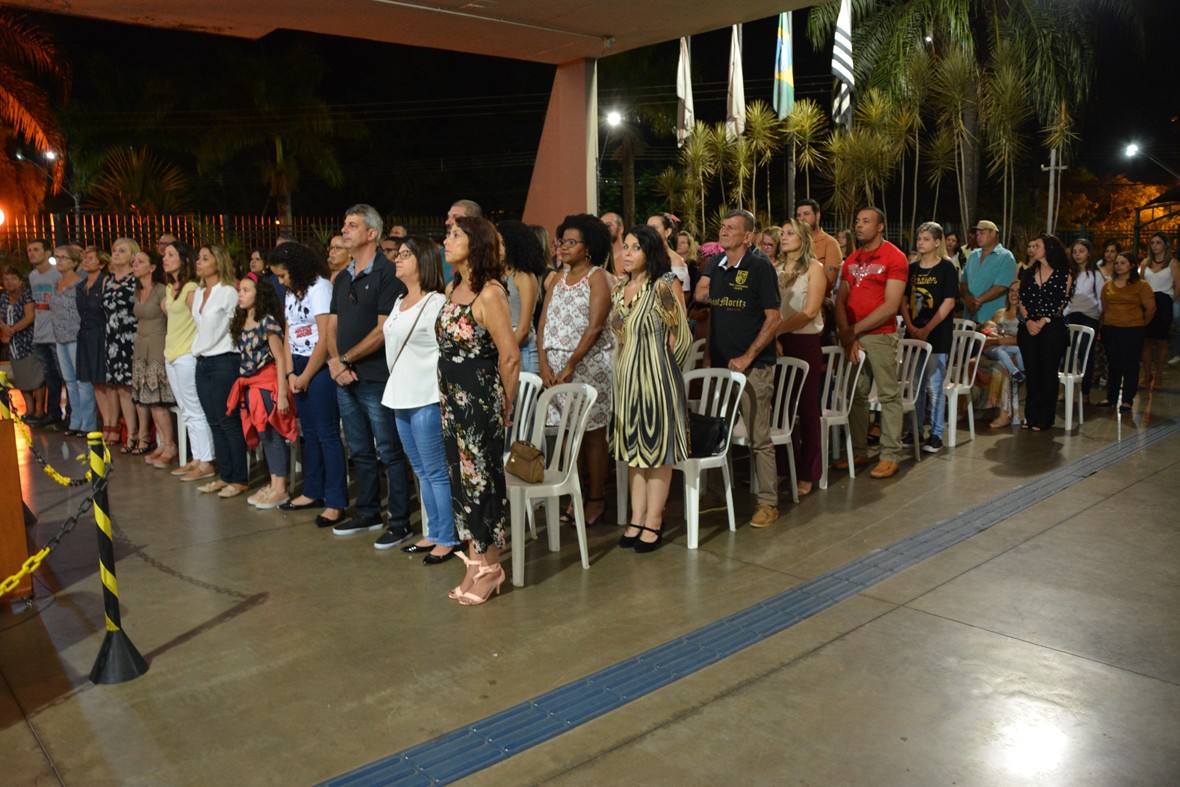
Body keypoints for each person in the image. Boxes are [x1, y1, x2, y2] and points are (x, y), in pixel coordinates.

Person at [438, 215, 521, 605]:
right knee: (461, 483)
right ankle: (474, 564)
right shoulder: (453, 286)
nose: (447, 240)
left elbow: (510, 356)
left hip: (480, 402)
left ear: (476, 244)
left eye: (455, 235)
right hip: (452, 401)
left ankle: (492, 568)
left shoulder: (490, 293)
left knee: (482, 485)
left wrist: (505, 405)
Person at [326, 204, 413, 548]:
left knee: (389, 450)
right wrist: (336, 363)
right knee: (360, 449)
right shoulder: (343, 277)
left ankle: (400, 521)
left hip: (376, 377)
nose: (344, 231)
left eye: (352, 226)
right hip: (344, 376)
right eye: (344, 225)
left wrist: (345, 359)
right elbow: (331, 325)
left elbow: (383, 330)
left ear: (372, 233)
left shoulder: (388, 273)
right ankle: (368, 511)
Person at [693, 209, 782, 524]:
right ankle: (716, 495)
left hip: (753, 367)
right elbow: (709, 308)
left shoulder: (760, 266)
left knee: (759, 438)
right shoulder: (717, 264)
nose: (724, 231)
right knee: (717, 433)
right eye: (723, 226)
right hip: (720, 366)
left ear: (748, 236)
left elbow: (774, 318)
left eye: (732, 228)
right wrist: (709, 356)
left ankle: (768, 502)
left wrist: (747, 357)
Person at [611, 226, 690, 552]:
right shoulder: (620, 289)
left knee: (657, 454)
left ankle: (654, 521)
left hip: (657, 383)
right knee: (634, 455)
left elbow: (681, 336)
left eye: (636, 247)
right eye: (625, 246)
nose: (627, 253)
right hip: (627, 385)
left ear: (650, 252)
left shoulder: (662, 287)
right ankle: (637, 518)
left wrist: (664, 373)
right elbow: (620, 338)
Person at [381, 236, 459, 563]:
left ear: (423, 261)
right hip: (400, 394)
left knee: (436, 470)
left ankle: (448, 537)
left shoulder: (436, 302)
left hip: (426, 395)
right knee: (420, 470)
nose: (397, 259)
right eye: (397, 254)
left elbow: (447, 352)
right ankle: (434, 531)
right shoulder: (400, 301)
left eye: (405, 255)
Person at [537, 213, 614, 529]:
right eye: (561, 241)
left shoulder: (598, 277)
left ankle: (596, 499)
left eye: (571, 242)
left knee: (592, 435)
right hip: (556, 372)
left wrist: (570, 365)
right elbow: (543, 324)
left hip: (588, 368)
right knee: (568, 435)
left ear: (588, 247)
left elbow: (595, 326)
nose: (563, 247)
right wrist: (544, 364)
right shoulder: (557, 278)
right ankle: (575, 496)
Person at [270, 242, 349, 525]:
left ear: (297, 268)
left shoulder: (320, 288)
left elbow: (326, 336)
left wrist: (306, 376)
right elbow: (289, 331)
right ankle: (313, 490)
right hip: (298, 365)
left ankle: (336, 501)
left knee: (327, 434)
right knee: (310, 433)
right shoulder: (294, 291)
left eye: (283, 275)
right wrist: (291, 373)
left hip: (320, 367)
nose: (281, 281)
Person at [835, 207, 907, 478]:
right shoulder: (851, 259)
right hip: (854, 336)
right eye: (857, 221)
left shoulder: (894, 256)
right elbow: (840, 300)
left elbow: (890, 306)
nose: (859, 225)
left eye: (866, 221)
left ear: (880, 227)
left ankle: (890, 454)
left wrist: (852, 331)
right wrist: (848, 334)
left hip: (880, 334)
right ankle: (859, 451)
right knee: (856, 394)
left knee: (888, 395)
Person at [228, 273, 295, 509]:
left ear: (259, 294)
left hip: (268, 384)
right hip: (251, 385)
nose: (241, 294)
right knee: (264, 434)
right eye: (240, 290)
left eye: (246, 290)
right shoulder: (241, 321)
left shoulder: (268, 322)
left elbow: (280, 358)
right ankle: (273, 482)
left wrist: (282, 394)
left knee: (273, 435)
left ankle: (281, 487)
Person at [773, 219, 826, 497]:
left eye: (790, 233)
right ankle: (783, 467)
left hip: (803, 342)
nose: (784, 237)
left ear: (804, 238)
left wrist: (777, 331)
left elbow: (810, 311)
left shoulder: (815, 269)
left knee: (806, 409)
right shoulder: (775, 268)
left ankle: (809, 472)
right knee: (779, 407)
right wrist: (773, 336)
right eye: (782, 233)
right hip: (777, 341)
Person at [192, 244, 249, 496]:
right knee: (214, 422)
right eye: (199, 258)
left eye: (205, 258)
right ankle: (225, 476)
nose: (199, 262)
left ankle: (239, 478)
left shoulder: (228, 292)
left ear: (219, 262)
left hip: (224, 360)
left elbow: (237, 326)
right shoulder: (199, 292)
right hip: (202, 361)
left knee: (228, 421)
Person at [901, 221, 959, 454]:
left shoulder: (946, 268)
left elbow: (949, 302)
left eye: (926, 239)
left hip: (937, 335)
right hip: (914, 333)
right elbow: (904, 299)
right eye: (919, 239)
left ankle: (936, 433)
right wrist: (910, 325)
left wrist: (927, 328)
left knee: (935, 386)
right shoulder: (912, 269)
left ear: (937, 242)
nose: (921, 243)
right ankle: (914, 430)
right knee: (916, 386)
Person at [162, 241, 215, 480]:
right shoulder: (170, 288)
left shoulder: (191, 288)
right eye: (165, 255)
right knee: (185, 410)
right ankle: (196, 458)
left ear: (183, 260)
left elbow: (199, 320)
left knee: (195, 409)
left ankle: (207, 461)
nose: (165, 258)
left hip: (186, 354)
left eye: (171, 254)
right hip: (171, 353)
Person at [1017, 234, 1075, 431]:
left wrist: (1042, 321)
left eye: (1037, 246)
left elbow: (1061, 302)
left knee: (1048, 372)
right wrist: (1028, 321)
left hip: (1052, 326)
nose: (1033, 249)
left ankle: (1045, 417)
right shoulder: (1029, 272)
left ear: (1049, 249)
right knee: (1032, 372)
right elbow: (1021, 299)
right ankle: (1030, 416)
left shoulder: (1064, 274)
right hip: (1029, 325)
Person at [130, 250, 176, 463]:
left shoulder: (161, 290)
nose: (135, 265)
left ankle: (170, 444)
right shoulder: (137, 291)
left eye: (140, 261)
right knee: (147, 400)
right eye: (134, 262)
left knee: (158, 400)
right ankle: (162, 443)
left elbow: (172, 318)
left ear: (152, 267)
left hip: (157, 345)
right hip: (141, 347)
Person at [1100, 254, 1155, 412]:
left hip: (1132, 329)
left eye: (1122, 263)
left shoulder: (1141, 286)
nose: (1118, 265)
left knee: (1130, 364)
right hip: (1111, 328)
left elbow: (1151, 309)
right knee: (1113, 364)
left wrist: (1139, 323)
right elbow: (1104, 306)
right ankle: (1110, 397)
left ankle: (1127, 400)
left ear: (1131, 265)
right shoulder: (1108, 285)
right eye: (1116, 263)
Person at [49, 246, 94, 436]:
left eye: (63, 257)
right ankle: (75, 420)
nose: (59, 261)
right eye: (57, 257)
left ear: (74, 262)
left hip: (77, 337)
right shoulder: (56, 284)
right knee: (69, 381)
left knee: (82, 381)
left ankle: (88, 423)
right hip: (60, 338)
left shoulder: (81, 284)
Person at [102, 238, 141, 452]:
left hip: (131, 338)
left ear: (132, 255)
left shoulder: (135, 279)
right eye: (114, 250)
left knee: (132, 386)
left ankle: (140, 434)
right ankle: (130, 433)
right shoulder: (107, 280)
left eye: (122, 251)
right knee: (120, 388)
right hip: (112, 340)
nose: (116, 253)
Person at [498, 220, 547, 375]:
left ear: (513, 245)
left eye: (502, 244)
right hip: (503, 345)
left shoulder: (524, 277)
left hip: (522, 351)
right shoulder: (497, 275)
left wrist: (504, 353)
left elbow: (524, 328)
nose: (497, 248)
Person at [76, 248, 112, 442]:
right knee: (94, 382)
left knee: (104, 381)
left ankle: (112, 424)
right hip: (85, 334)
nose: (86, 261)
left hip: (100, 334)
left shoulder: (104, 283)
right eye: (85, 258)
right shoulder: (81, 286)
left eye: (91, 258)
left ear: (101, 263)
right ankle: (105, 422)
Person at [26, 238, 61, 426]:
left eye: (36, 249)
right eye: (29, 250)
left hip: (55, 333)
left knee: (63, 376)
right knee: (49, 376)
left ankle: (68, 415)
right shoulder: (33, 276)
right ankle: (53, 413)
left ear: (47, 253)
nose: (31, 253)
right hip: (40, 333)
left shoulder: (56, 274)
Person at [1064, 239, 1103, 402]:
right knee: (1068, 353)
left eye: (1081, 251)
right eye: (1075, 252)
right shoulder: (1069, 273)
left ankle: (1085, 392)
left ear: (1089, 253)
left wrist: (1098, 315)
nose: (1077, 255)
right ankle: (1067, 390)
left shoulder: (1095, 274)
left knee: (1085, 353)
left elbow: (1100, 298)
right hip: (1070, 315)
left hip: (1089, 317)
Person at [1, 267, 43, 415]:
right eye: (6, 279)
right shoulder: (4, 297)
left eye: (13, 278)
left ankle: (40, 411)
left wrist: (12, 330)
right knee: (21, 379)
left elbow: (30, 317)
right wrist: (3, 327)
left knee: (36, 378)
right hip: (13, 345)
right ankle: (29, 409)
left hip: (28, 341)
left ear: (20, 281)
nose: (9, 282)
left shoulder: (27, 295)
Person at [1139, 232, 1179, 389]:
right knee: (1146, 340)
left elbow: (1178, 286)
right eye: (1152, 243)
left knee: (1161, 341)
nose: (1155, 245)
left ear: (1166, 245)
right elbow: (1141, 282)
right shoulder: (1146, 262)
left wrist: (1169, 301)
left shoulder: (1173, 263)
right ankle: (1147, 374)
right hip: (1147, 301)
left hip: (1164, 302)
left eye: (1158, 242)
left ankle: (1159, 375)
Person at [984, 282, 1025, 428]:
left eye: (1018, 291)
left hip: (1016, 352)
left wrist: (999, 340)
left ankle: (1004, 415)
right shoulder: (999, 313)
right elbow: (987, 330)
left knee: (1001, 367)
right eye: (1011, 290)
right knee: (972, 364)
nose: (1014, 294)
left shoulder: (1026, 315)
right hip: (997, 350)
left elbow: (1023, 340)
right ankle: (972, 410)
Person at [961, 220, 1017, 323]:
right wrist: (967, 298)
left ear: (993, 233)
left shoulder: (1006, 257)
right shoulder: (973, 255)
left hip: (992, 318)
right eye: (977, 234)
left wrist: (977, 301)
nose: (978, 237)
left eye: (982, 233)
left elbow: (1002, 286)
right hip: (969, 317)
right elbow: (963, 281)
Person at [795, 198, 844, 289]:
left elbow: (830, 282)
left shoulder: (830, 243)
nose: (802, 218)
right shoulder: (794, 241)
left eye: (806, 214)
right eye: (799, 215)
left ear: (817, 216)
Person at [647, 213, 691, 301]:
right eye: (647, 228)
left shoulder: (676, 261)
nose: (649, 232)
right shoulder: (641, 255)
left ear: (667, 232)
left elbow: (679, 297)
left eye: (654, 228)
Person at [443, 199, 482, 284]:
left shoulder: (489, 287)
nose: (447, 222)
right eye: (448, 217)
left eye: (456, 217)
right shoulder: (444, 255)